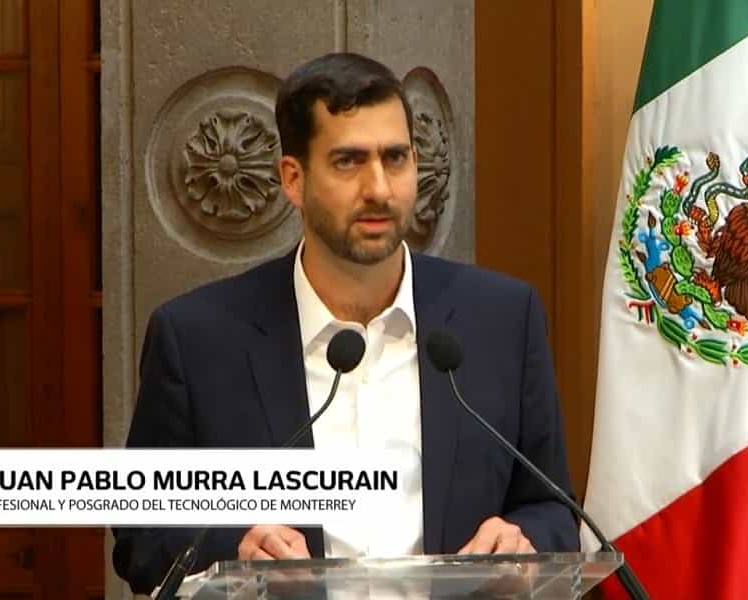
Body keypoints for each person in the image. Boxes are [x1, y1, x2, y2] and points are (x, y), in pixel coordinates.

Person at [112, 52, 579, 594]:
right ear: (293, 179)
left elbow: (554, 510)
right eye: (348, 161)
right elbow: (142, 536)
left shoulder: (501, 319)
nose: (379, 188)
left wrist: (522, 537)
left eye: (396, 158)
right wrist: (233, 550)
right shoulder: (197, 339)